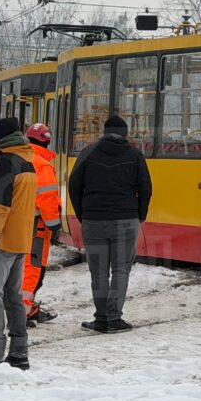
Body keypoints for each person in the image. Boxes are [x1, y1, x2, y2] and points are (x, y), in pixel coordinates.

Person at [68, 115, 152, 334]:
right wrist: (139, 215)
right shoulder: (134, 154)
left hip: (93, 221)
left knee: (98, 273)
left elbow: (74, 185)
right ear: (125, 133)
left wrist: (83, 215)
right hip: (125, 220)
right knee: (121, 271)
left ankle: (102, 318)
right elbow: (145, 187)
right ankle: (114, 319)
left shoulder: (88, 152)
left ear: (104, 132)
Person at [0, 117, 37, 370]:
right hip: (21, 240)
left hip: (2, 241)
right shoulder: (27, 162)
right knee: (14, 297)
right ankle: (20, 352)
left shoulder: (5, 162)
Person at [22, 123, 62, 326]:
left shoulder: (15, 158)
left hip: (14, 224)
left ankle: (23, 308)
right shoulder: (42, 165)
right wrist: (55, 225)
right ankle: (24, 312)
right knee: (32, 269)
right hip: (35, 227)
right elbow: (47, 199)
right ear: (47, 141)